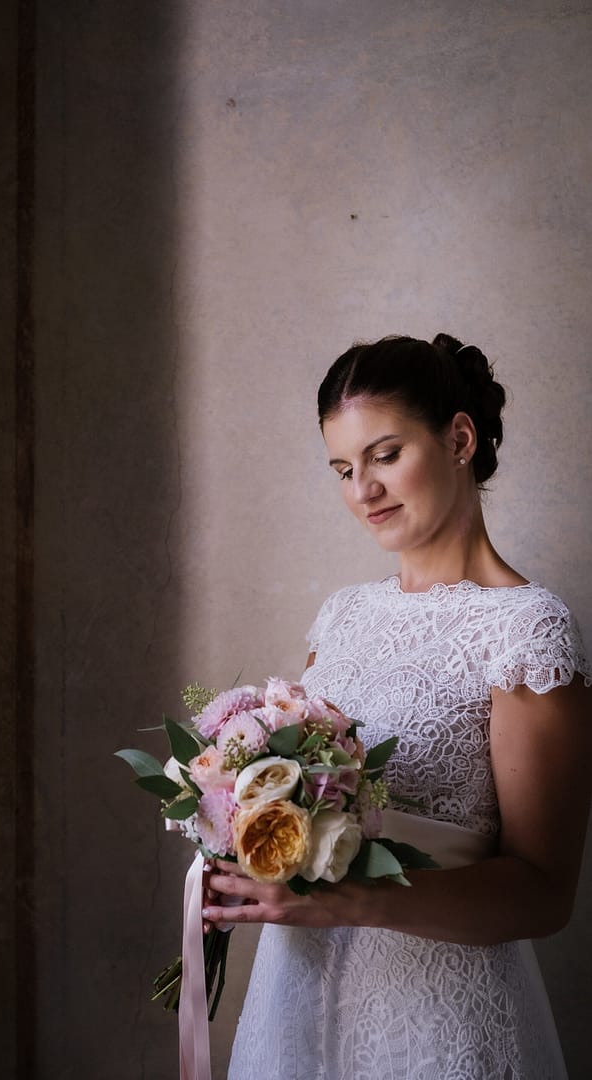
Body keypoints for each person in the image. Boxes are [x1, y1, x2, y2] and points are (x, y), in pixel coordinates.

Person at [203, 334, 592, 1080]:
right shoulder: (341, 617)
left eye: (384, 455)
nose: (363, 491)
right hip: (298, 1005)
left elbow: (544, 893)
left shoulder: (526, 629)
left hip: (441, 1023)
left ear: (458, 438)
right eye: (344, 469)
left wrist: (357, 900)